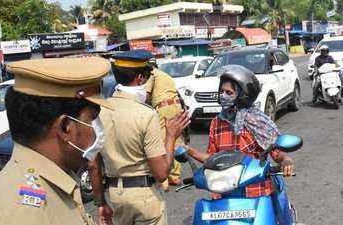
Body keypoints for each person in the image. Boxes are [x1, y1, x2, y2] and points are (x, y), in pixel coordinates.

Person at [0, 57, 112, 225]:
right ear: (65, 127)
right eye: (93, 119)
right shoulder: (23, 214)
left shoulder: (51, 181)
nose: (99, 130)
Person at [90, 51, 190, 225]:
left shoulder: (100, 112)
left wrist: (101, 203)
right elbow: (161, 173)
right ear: (140, 78)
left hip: (116, 196)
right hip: (144, 197)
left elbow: (93, 165)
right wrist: (171, 136)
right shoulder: (146, 114)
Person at [185, 65, 295, 198]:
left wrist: (286, 161)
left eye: (229, 93)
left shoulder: (258, 121)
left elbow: (277, 153)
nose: (223, 96)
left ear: (243, 96)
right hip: (227, 194)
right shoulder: (217, 123)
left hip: (258, 193)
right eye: (222, 92)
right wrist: (187, 150)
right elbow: (212, 159)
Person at [143, 52, 187, 187]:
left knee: (162, 141)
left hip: (164, 109)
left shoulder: (151, 75)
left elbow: (145, 96)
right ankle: (175, 175)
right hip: (176, 106)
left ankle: (164, 177)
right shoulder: (165, 75)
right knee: (175, 139)